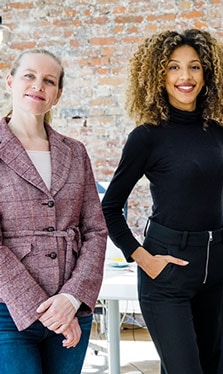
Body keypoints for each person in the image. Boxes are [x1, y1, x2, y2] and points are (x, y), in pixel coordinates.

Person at [101, 29, 223, 374]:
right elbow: (110, 207)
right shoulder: (146, 137)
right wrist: (143, 259)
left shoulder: (217, 132)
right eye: (174, 68)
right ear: (158, 75)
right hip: (166, 270)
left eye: (194, 67)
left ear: (207, 74)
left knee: (207, 366)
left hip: (213, 268)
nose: (185, 77)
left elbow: (221, 190)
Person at [0, 49, 107, 373]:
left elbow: (95, 231)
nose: (38, 86)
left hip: (71, 307)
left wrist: (71, 300)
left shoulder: (74, 152)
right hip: (7, 312)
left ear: (57, 95)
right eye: (29, 76)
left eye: (49, 81)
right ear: (10, 82)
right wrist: (48, 311)